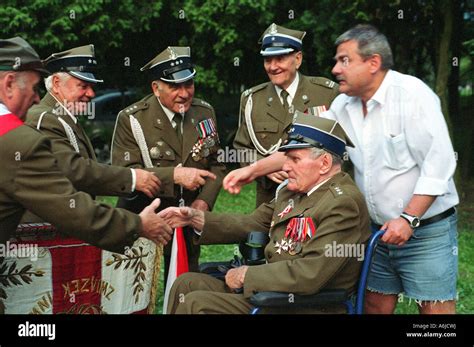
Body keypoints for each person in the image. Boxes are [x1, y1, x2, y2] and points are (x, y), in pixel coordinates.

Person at [224, 24, 459, 315]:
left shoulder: (412, 96)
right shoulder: (343, 105)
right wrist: (253, 170)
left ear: (373, 63)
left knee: (435, 312)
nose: (335, 69)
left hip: (425, 228)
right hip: (376, 231)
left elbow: (440, 165)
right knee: (373, 305)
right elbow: (305, 149)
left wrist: (408, 218)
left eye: (344, 60)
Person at [160, 114, 370, 314]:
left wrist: (247, 275)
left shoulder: (342, 204)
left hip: (303, 305)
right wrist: (195, 218)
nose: (285, 167)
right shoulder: (294, 191)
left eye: (295, 159)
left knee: (196, 303)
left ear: (324, 163)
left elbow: (310, 274)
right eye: (286, 158)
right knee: (185, 284)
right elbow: (253, 223)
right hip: (274, 293)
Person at [0, 37, 172, 254]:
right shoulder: (29, 131)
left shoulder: (60, 118)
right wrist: (137, 223)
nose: (36, 98)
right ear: (8, 84)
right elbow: (69, 184)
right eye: (83, 85)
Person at [111, 46, 226, 277]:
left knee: (185, 282)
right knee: (137, 286)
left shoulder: (204, 112)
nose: (184, 94)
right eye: (174, 86)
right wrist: (173, 175)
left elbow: (217, 163)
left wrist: (204, 202)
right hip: (146, 217)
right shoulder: (132, 119)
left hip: (187, 218)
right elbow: (124, 175)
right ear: (156, 88)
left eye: (189, 85)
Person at [25, 44, 161, 206]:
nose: (91, 94)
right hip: (47, 226)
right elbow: (74, 170)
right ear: (56, 83)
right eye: (83, 86)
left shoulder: (62, 117)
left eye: (92, 87)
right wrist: (132, 178)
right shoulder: (46, 118)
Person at [233, 23, 339, 206]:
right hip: (270, 202)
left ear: (297, 59)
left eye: (280, 58)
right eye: (267, 60)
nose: (273, 67)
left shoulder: (326, 93)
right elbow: (241, 149)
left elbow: (339, 148)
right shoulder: (252, 99)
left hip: (318, 201)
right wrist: (265, 168)